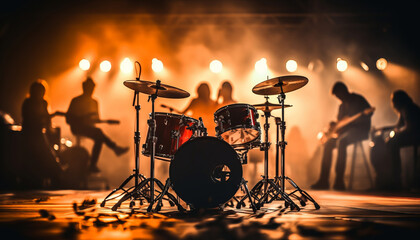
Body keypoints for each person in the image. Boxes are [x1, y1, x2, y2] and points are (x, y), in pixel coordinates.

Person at [311, 81, 372, 190]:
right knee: (328, 144)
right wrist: (334, 125)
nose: (338, 97)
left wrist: (357, 119)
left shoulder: (358, 99)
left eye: (338, 95)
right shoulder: (342, 106)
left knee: (342, 141)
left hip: (360, 131)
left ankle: (339, 180)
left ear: (343, 91)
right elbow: (340, 123)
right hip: (345, 133)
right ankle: (324, 180)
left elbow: (370, 111)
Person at [66, 77, 128, 173]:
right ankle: (113, 149)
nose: (90, 90)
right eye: (88, 88)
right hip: (77, 128)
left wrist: (106, 121)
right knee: (98, 133)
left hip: (90, 128)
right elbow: (68, 119)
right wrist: (82, 118)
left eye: (91, 88)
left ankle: (93, 165)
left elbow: (96, 120)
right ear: (84, 87)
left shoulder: (95, 102)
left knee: (99, 137)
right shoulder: (76, 100)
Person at [21, 80, 61, 188]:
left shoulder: (44, 102)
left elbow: (46, 121)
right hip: (30, 133)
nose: (41, 93)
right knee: (37, 156)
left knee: (47, 155)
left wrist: (50, 130)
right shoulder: (28, 103)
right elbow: (30, 119)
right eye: (39, 91)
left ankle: (53, 177)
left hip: (39, 133)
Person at [384, 90, 420, 190]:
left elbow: (409, 127)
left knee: (392, 144)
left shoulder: (409, 109)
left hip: (416, 136)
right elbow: (398, 126)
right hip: (412, 135)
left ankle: (396, 179)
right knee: (391, 142)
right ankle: (393, 178)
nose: (393, 104)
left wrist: (396, 134)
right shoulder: (404, 110)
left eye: (394, 101)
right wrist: (384, 129)